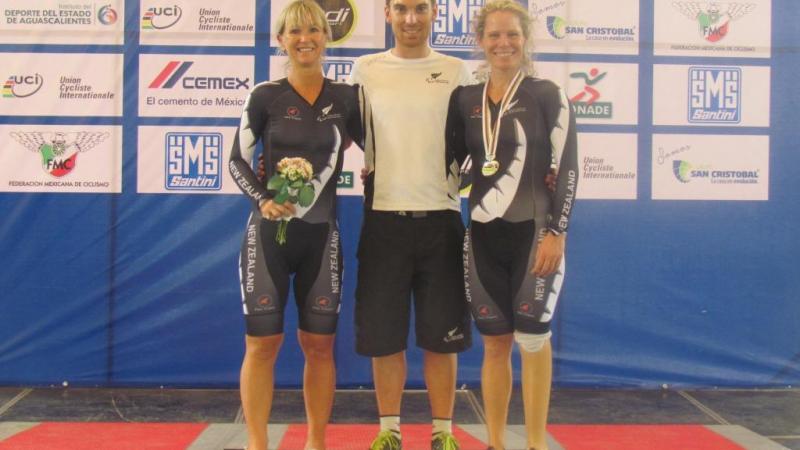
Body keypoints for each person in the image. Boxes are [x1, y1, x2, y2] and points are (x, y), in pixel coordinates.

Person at [228, 1, 367, 449]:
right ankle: (257, 443)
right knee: (261, 347)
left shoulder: (346, 98)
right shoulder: (264, 96)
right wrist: (263, 199)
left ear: (327, 38)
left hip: (322, 239)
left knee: (319, 347)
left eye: (313, 29)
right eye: (294, 31)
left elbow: (383, 152)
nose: (304, 37)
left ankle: (316, 442)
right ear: (281, 40)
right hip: (267, 238)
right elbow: (235, 160)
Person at [445, 1, 578, 449]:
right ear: (480, 41)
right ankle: (497, 442)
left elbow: (570, 167)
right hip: (481, 237)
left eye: (512, 35)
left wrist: (557, 232)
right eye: (495, 36)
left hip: (535, 235)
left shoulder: (546, 93)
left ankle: (537, 443)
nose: (504, 44)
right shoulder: (465, 98)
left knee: (534, 341)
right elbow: (452, 163)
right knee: (495, 345)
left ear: (525, 40)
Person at [348, 0, 473, 449]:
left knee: (442, 337)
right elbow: (343, 134)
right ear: (386, 13)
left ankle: (443, 432)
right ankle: (389, 430)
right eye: (401, 8)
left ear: (435, 11)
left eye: (420, 7)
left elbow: (479, 137)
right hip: (383, 220)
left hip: (442, 218)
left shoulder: (458, 71)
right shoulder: (365, 69)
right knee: (385, 337)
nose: (411, 18)